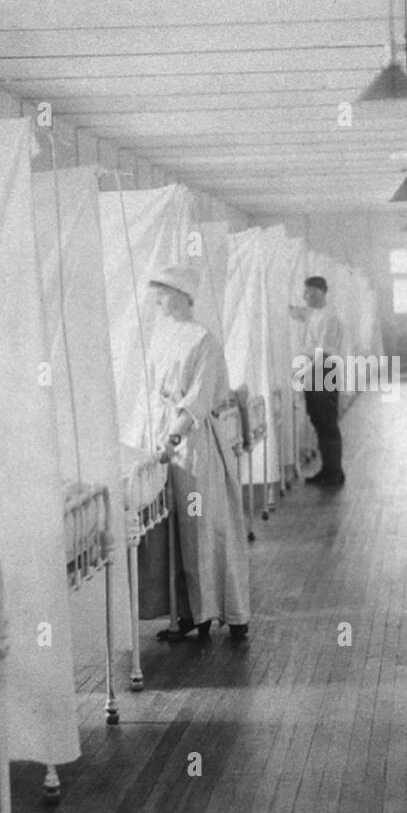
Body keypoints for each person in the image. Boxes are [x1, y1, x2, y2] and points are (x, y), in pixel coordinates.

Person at [145, 265, 251, 641]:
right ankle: (189, 614)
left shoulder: (203, 339)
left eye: (164, 292)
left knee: (203, 526)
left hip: (196, 447)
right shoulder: (164, 337)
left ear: (183, 296)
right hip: (170, 446)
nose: (157, 299)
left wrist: (173, 436)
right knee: (180, 531)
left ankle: (220, 612)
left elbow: (198, 401)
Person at [291, 275, 346, 485]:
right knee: (319, 421)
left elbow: (323, 353)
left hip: (324, 371)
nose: (306, 297)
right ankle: (327, 469)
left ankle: (335, 472)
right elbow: (298, 313)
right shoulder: (315, 314)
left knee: (327, 423)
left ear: (322, 292)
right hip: (315, 372)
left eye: (310, 293)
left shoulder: (328, 317)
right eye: (305, 293)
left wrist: (303, 373)